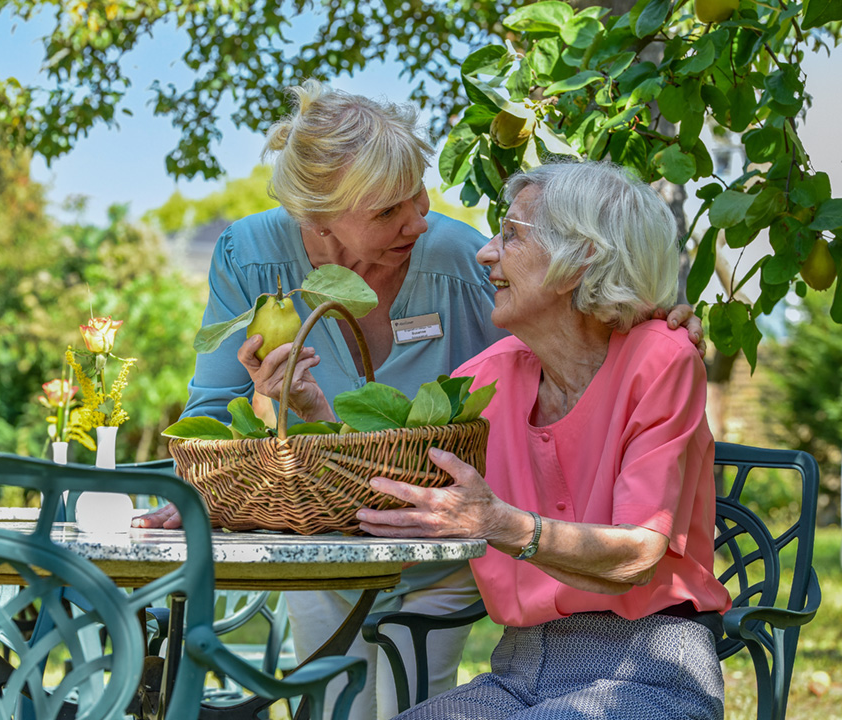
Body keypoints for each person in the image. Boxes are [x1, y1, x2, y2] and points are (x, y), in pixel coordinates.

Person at [139, 81, 705, 720]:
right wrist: (274, 439)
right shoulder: (256, 259)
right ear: (317, 219)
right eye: (387, 211)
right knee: (336, 706)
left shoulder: (468, 269)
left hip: (545, 603)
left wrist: (649, 319)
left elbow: (579, 329)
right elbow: (232, 409)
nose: (420, 220)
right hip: (359, 547)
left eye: (418, 193)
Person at [340, 160, 732, 719]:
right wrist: (307, 411)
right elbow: (386, 479)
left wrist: (498, 523)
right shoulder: (484, 380)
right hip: (518, 671)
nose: (485, 254)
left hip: (650, 668)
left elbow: (639, 555)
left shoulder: (661, 358)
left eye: (511, 235)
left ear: (582, 258)